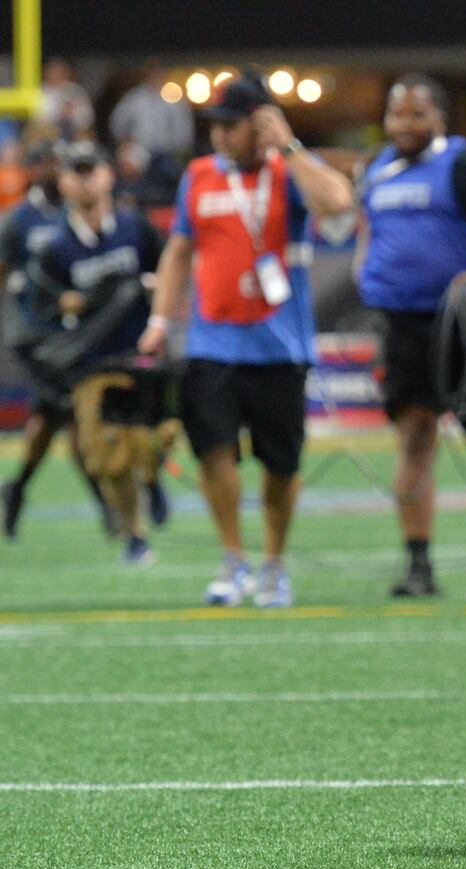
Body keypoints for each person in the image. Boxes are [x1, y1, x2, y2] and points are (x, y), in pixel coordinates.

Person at [138, 72, 353, 607]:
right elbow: (179, 253)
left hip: (281, 347)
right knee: (213, 453)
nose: (219, 135)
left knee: (281, 465)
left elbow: (338, 202)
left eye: (231, 126)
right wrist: (161, 322)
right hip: (212, 342)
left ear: (260, 125)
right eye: (216, 125)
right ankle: (233, 559)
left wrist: (291, 144)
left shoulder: (289, 172)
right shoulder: (199, 176)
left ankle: (274, 564)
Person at [355, 73, 466, 598]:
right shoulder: (377, 169)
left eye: (415, 114)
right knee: (414, 434)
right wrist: (370, 273)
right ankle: (418, 563)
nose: (403, 124)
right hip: (401, 324)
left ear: (438, 119)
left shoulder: (465, 164)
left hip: (464, 324)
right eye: (395, 114)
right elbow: (372, 231)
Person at [28, 141, 169, 565]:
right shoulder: (54, 246)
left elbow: (168, 275)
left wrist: (156, 303)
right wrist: (64, 308)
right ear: (63, 180)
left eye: (92, 169)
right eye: (76, 170)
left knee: (155, 439)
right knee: (107, 457)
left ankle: (153, 478)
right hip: (92, 364)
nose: (85, 178)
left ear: (109, 174)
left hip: (142, 357)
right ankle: (136, 533)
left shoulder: (136, 228)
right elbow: (39, 311)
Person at [1, 140, 119, 539]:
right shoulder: (19, 220)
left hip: (71, 336)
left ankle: (17, 488)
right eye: (46, 162)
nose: (53, 170)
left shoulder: (77, 216)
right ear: (32, 169)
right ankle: (108, 508)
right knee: (72, 417)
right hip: (34, 335)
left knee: (51, 418)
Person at [108, 61, 194, 165]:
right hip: (141, 150)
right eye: (153, 72)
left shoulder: (174, 96)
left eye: (159, 73)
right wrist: (125, 142)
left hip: (169, 152)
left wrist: (180, 150)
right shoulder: (134, 97)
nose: (156, 76)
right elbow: (117, 122)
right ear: (147, 74)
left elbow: (185, 131)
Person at [37, 58, 94, 140]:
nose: (56, 75)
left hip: (74, 132)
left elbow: (87, 119)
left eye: (60, 71)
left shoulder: (76, 90)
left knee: (85, 134)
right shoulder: (39, 91)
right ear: (45, 73)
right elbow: (38, 121)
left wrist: (72, 114)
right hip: (47, 133)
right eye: (52, 71)